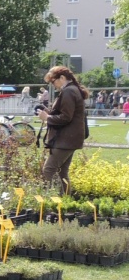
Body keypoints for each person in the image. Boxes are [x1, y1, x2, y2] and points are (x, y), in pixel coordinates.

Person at [37, 66, 88, 195]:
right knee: (62, 172)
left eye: (53, 82)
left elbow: (66, 117)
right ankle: (64, 203)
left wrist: (47, 117)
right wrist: (49, 114)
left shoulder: (69, 91)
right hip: (70, 139)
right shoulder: (72, 90)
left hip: (65, 140)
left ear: (62, 78)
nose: (53, 85)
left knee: (48, 170)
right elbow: (66, 114)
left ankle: (44, 202)